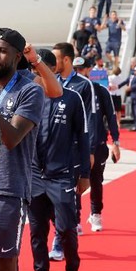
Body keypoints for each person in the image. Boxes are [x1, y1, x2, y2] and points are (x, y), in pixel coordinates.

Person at [0, 28, 44, 271]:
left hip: (8, 191)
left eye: (2, 50)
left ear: (17, 56)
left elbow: (12, 138)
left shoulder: (30, 90)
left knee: (3, 268)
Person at [25, 49, 91, 271]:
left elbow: (83, 138)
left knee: (66, 231)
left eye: (38, 69)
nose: (34, 75)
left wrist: (84, 173)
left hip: (61, 176)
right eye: (32, 70)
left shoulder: (72, 98)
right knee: (37, 234)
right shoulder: (27, 98)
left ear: (51, 69)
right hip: (34, 178)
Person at [50, 43, 97, 259]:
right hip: (52, 151)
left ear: (66, 60)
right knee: (53, 201)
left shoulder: (84, 85)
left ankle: (60, 241)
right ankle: (66, 231)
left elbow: (90, 120)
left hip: (75, 151)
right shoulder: (51, 82)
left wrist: (90, 150)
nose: (52, 63)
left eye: (56, 58)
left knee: (67, 197)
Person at [74, 59, 121, 232]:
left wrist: (116, 142)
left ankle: (95, 214)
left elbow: (111, 117)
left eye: (82, 69)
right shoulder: (71, 90)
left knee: (96, 181)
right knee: (75, 182)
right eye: (76, 69)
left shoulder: (101, 91)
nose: (79, 72)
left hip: (99, 145)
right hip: (77, 146)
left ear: (89, 70)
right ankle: (76, 219)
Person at [126, 57, 136, 131]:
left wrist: (130, 88)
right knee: (133, 110)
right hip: (132, 94)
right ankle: (135, 124)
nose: (131, 64)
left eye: (132, 62)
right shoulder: (132, 72)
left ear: (135, 63)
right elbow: (127, 80)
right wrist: (118, 86)